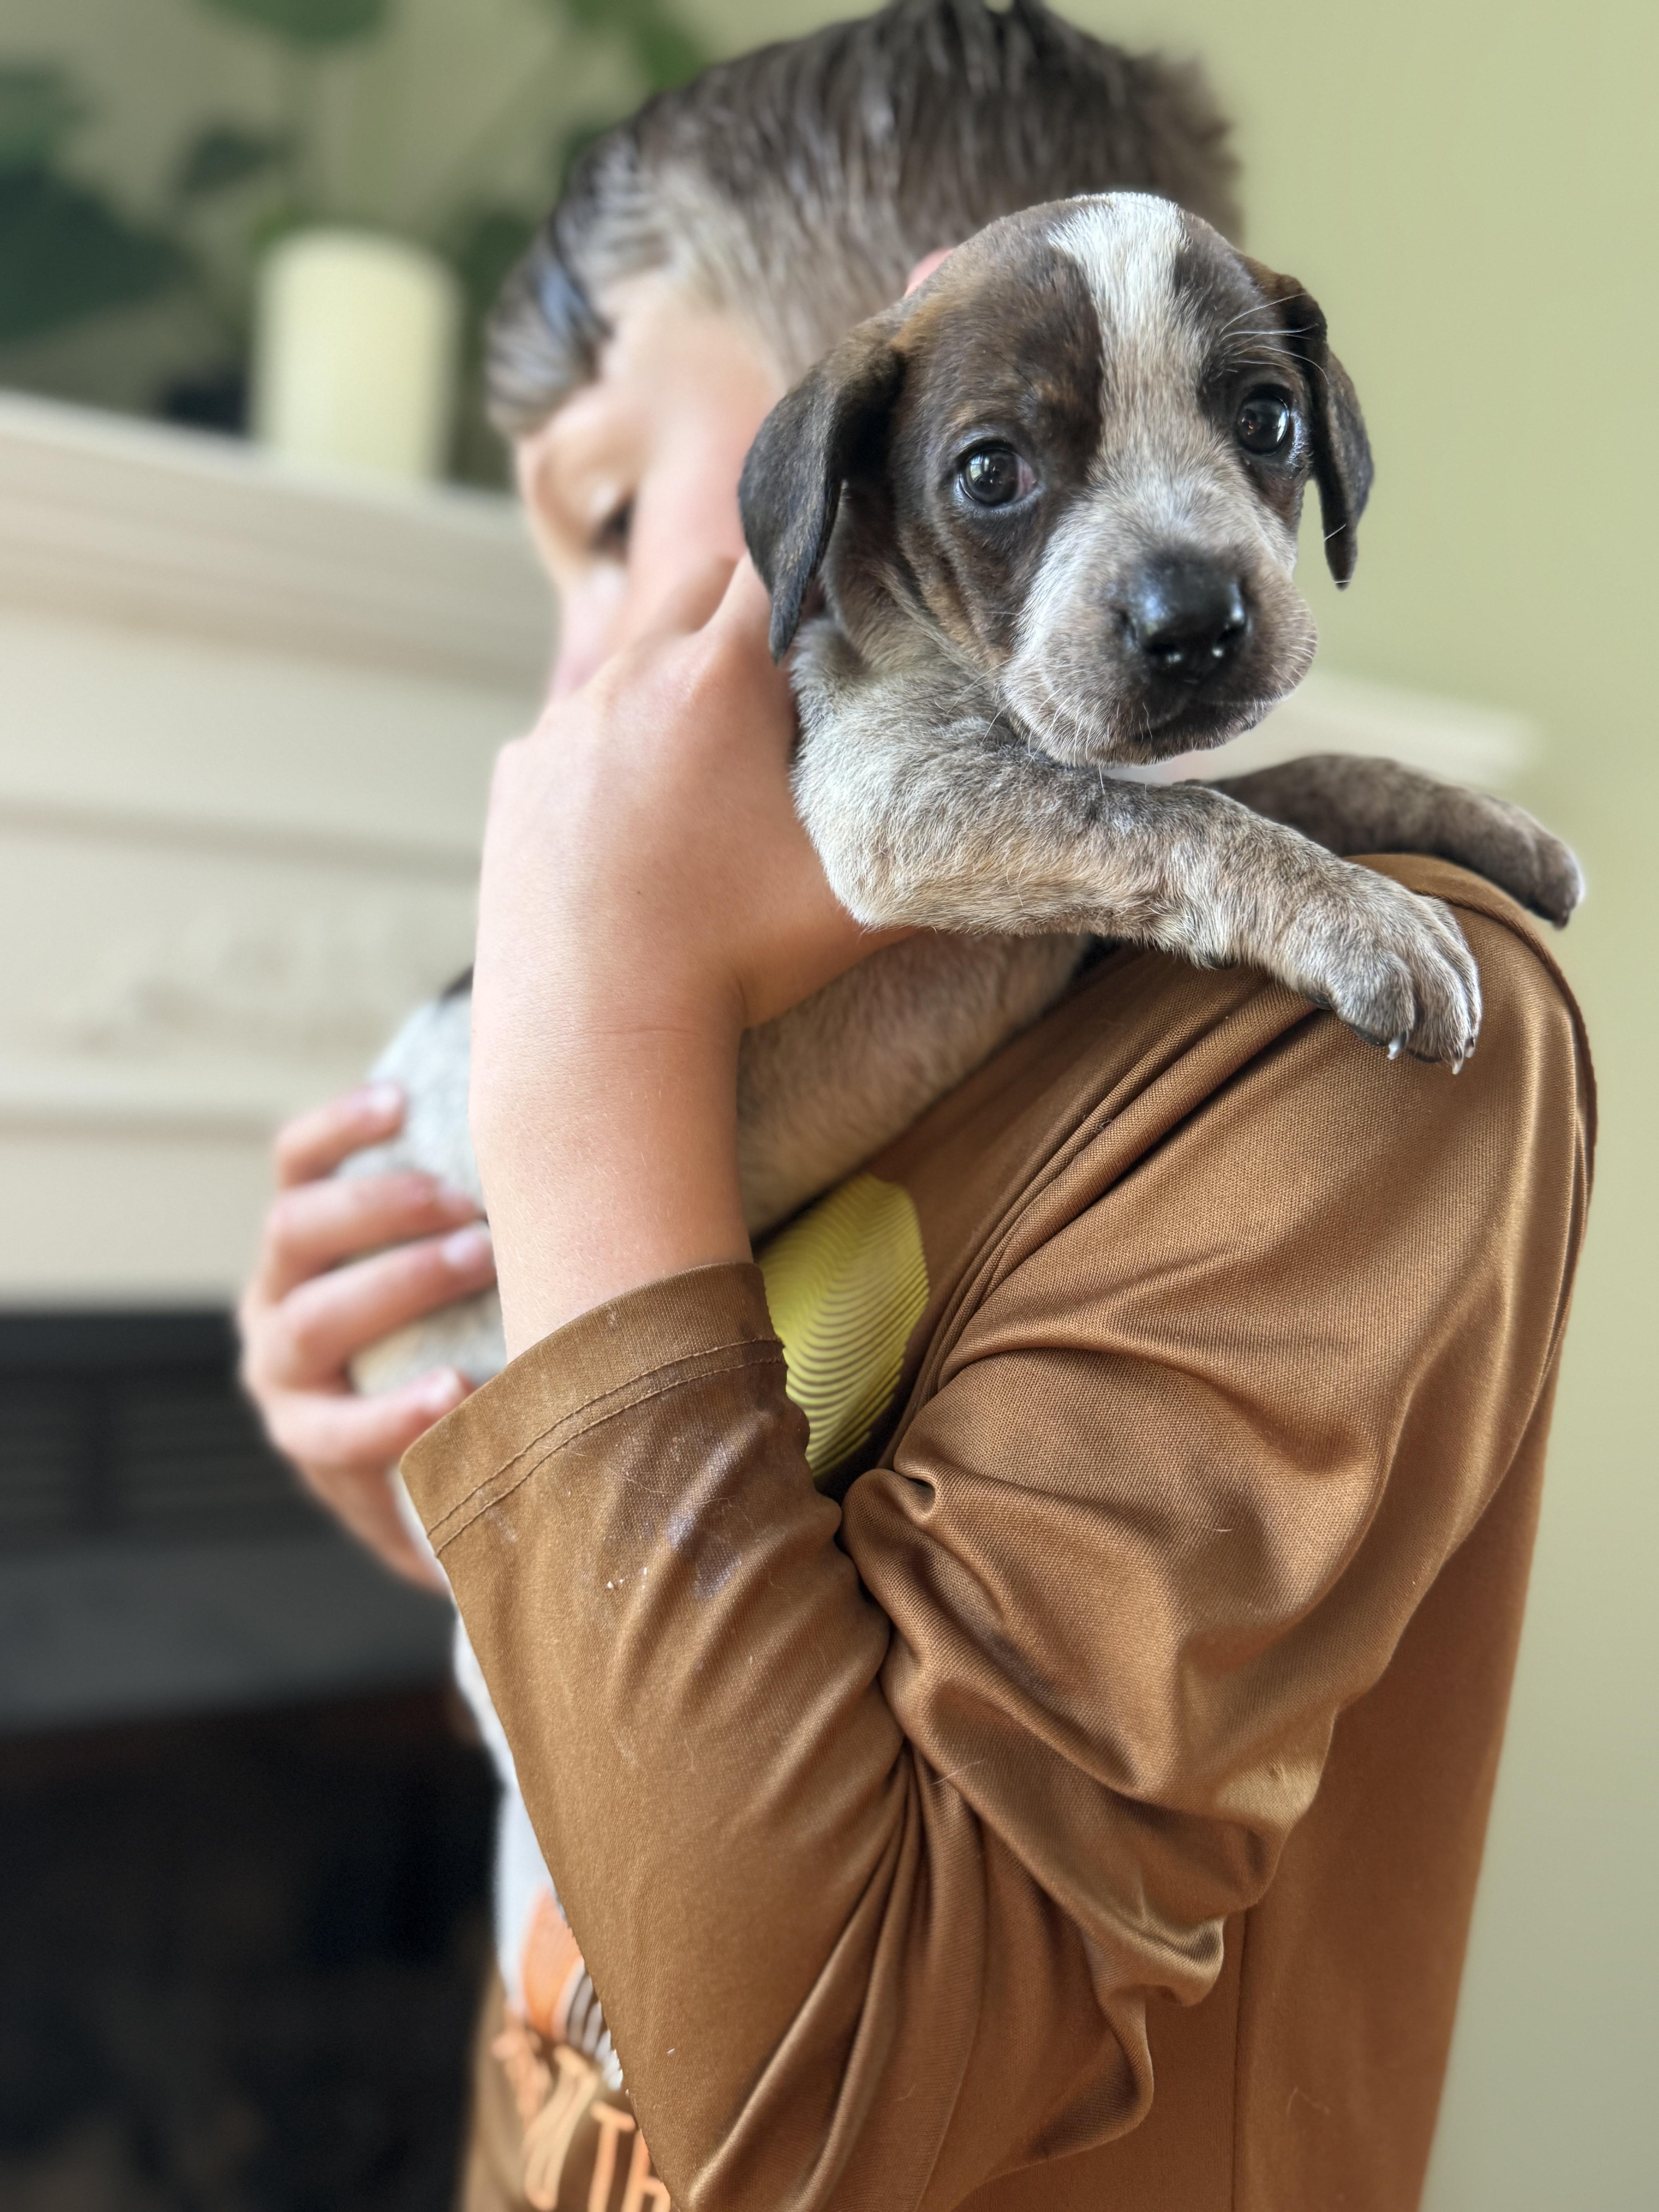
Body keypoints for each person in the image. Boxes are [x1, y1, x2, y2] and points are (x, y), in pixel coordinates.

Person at [238, 7, 1593, 2209]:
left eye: (613, 520)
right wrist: (447, 1499)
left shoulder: (1339, 1057)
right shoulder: (896, 941)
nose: (568, 679)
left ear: (835, 466)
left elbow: (815, 2103)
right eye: (1006, 476)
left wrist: (595, 1021)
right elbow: (692, 1650)